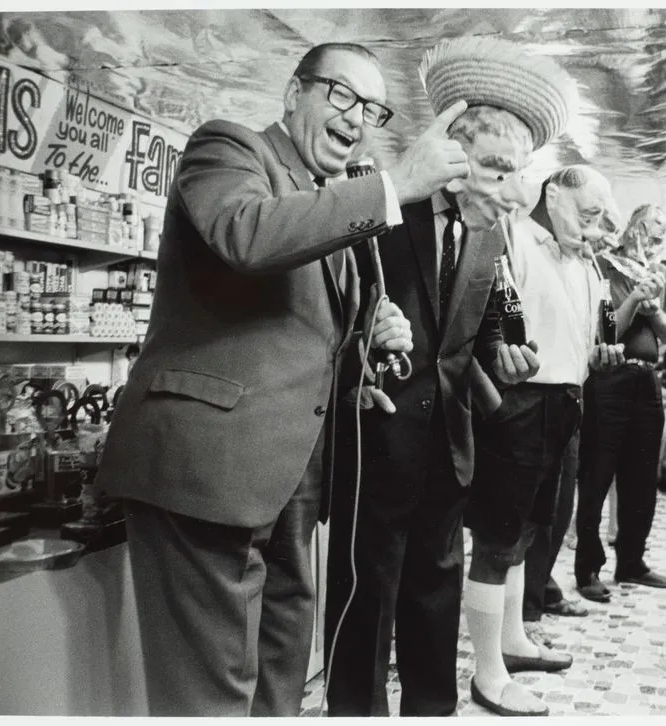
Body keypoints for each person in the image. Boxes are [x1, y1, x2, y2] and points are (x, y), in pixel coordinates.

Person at [93, 42, 469, 716]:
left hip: (296, 482)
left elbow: (305, 341)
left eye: (372, 109)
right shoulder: (229, 150)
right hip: (207, 474)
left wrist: (367, 347)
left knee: (281, 678)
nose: (357, 118)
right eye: (341, 95)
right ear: (294, 94)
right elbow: (246, 237)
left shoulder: (334, 203)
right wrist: (393, 186)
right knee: (209, 694)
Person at [322, 36, 566, 717]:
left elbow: (485, 329)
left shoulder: (493, 233)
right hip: (378, 440)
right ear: (452, 158)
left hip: (448, 450)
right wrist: (361, 342)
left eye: (516, 171)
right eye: (495, 169)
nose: (511, 190)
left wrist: (504, 357)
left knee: (436, 598)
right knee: (366, 603)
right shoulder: (380, 209)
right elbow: (333, 313)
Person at [464, 164, 619, 716]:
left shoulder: (584, 264)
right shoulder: (513, 236)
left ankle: (510, 641)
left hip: (566, 401)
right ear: (552, 194)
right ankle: (487, 674)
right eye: (588, 212)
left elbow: (577, 336)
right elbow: (487, 326)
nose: (594, 225)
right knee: (497, 538)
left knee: (531, 531)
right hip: (523, 401)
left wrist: (594, 358)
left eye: (600, 216)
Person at [574, 202, 666, 603]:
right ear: (634, 228)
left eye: (662, 235)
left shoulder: (661, 271)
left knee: (642, 480)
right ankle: (587, 568)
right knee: (597, 476)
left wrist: (652, 310)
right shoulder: (602, 265)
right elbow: (605, 328)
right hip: (607, 376)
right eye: (652, 231)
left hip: (647, 379)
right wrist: (635, 299)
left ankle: (631, 561)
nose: (656, 239)